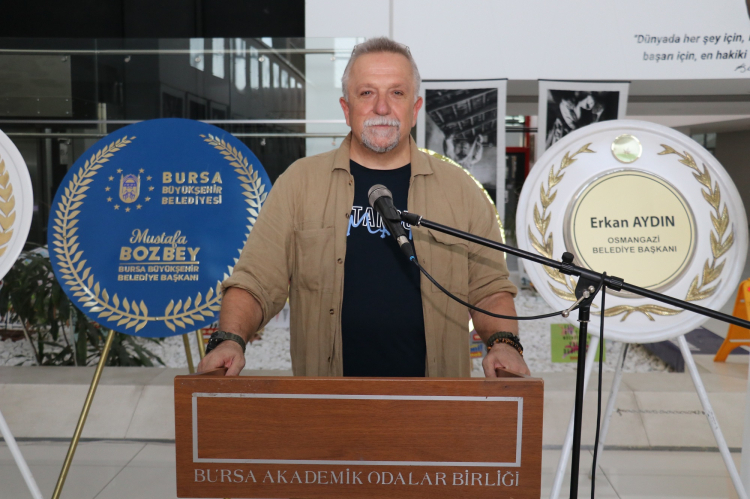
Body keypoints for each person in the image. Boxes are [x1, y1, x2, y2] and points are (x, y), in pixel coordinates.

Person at [197, 37, 529, 378]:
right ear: (346, 109)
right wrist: (229, 340)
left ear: (415, 109)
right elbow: (255, 281)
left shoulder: (460, 190)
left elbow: (489, 290)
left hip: (435, 400)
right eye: (367, 92)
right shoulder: (299, 183)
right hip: (329, 398)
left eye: (396, 93)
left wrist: (504, 344)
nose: (382, 107)